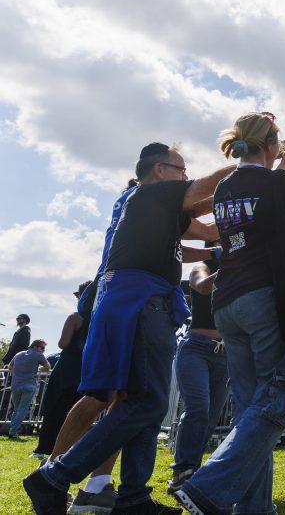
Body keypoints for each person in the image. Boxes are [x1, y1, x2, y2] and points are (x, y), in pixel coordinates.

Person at [25, 142, 231, 515]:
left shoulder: (153, 210)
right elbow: (209, 195)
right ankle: (53, 474)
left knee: (129, 398)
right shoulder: (150, 194)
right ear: (159, 171)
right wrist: (253, 166)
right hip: (137, 298)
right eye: (181, 169)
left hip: (131, 297)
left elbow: (199, 229)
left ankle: (121, 492)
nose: (186, 175)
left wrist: (224, 245)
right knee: (119, 398)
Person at [172, 112, 285, 515]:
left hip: (228, 302)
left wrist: (280, 163)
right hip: (268, 298)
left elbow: (260, 192)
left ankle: (254, 508)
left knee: (251, 410)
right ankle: (208, 487)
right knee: (281, 390)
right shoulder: (274, 183)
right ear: (271, 145)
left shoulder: (229, 186)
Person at [166, 252, 230, 492]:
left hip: (226, 352)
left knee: (212, 417)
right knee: (198, 409)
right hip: (196, 347)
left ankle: (193, 469)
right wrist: (234, 264)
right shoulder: (202, 266)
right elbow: (201, 287)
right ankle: (182, 470)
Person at [32, 283, 91, 460]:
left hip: (67, 369)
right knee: (79, 413)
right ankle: (71, 450)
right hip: (86, 370)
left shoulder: (75, 317)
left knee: (55, 409)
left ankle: (44, 448)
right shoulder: (99, 317)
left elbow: (63, 344)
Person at [6, 340, 50, 439]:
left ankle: (12, 431)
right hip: (29, 385)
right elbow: (48, 367)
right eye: (42, 348)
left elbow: (10, 366)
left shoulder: (18, 354)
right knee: (21, 410)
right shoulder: (38, 355)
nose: (43, 350)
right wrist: (37, 369)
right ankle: (12, 432)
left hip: (16, 385)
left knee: (16, 410)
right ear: (35, 346)